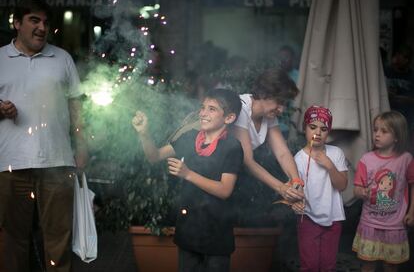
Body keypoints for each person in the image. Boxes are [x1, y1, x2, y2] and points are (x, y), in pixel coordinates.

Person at [0, 0, 87, 271]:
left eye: (46, 23)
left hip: (57, 161)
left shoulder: (62, 58)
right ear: (16, 24)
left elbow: (76, 106)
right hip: (10, 163)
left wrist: (82, 146)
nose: (41, 28)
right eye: (34, 20)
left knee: (59, 239)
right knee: (13, 240)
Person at [132, 88, 244, 272]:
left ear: (229, 118)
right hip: (189, 228)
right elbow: (155, 156)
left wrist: (188, 174)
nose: (203, 113)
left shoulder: (232, 147)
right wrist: (144, 133)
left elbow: (225, 190)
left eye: (212, 109)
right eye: (203, 107)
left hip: (217, 232)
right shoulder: (190, 138)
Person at [352, 111, 414, 272]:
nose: (377, 135)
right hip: (369, 223)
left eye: (384, 131)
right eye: (375, 130)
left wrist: (412, 212)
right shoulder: (366, 159)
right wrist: (360, 192)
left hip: (395, 224)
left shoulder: (406, 159)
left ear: (397, 137)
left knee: (391, 265)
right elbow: (357, 189)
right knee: (368, 264)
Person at [232, 68, 304, 203]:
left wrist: (296, 181)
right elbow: (247, 160)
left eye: (285, 104)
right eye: (279, 102)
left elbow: (282, 152)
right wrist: (281, 188)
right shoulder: (241, 108)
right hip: (218, 173)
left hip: (238, 176)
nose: (281, 109)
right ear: (264, 93)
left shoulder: (268, 115)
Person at [293, 106, 348, 271]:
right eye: (312, 127)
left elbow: (342, 185)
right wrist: (294, 203)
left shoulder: (336, 153)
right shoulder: (297, 159)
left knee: (328, 266)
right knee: (309, 265)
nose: (318, 132)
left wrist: (329, 165)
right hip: (307, 218)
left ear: (328, 132)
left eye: (323, 129)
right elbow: (295, 190)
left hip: (334, 218)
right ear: (305, 128)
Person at [384, 45, 414, 151]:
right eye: (401, 56)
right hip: (388, 112)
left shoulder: (411, 76)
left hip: (406, 116)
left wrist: (400, 98)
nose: (403, 60)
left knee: (403, 142)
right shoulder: (386, 71)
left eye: (406, 58)